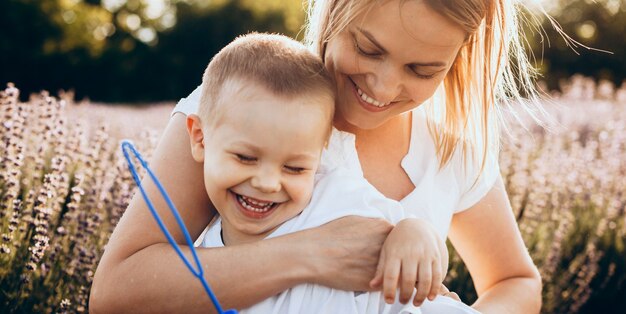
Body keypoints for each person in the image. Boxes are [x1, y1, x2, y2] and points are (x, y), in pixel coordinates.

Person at [90, 1, 542, 313]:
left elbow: (516, 282)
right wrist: (312, 255)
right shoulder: (243, 105)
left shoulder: (450, 151)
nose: (382, 88)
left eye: (422, 70)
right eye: (368, 48)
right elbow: (116, 294)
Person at [185, 32, 468, 314]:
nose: (268, 183)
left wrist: (414, 232)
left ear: (319, 156)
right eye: (245, 158)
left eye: (294, 168)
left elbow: (416, 239)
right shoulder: (202, 265)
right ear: (200, 138)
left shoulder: (333, 197)